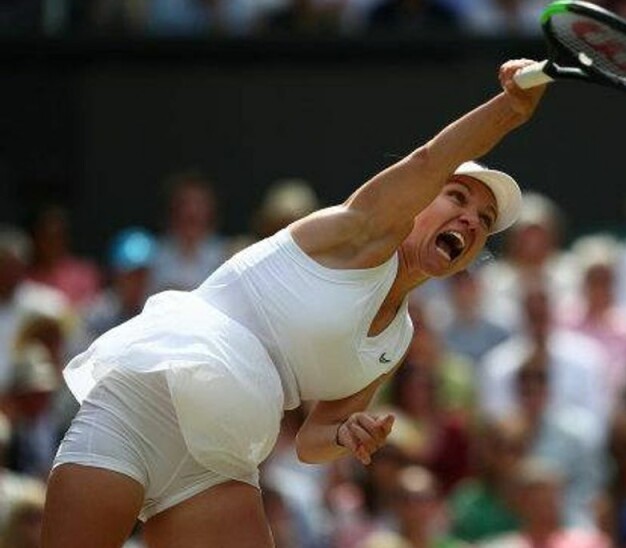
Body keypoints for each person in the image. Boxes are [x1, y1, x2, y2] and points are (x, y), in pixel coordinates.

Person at [41, 59, 547, 548]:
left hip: (217, 461)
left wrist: (347, 433)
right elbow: (428, 160)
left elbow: (312, 440)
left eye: (483, 221)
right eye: (458, 198)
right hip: (144, 402)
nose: (470, 221)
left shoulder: (399, 339)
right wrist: (510, 110)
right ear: (420, 199)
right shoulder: (360, 234)